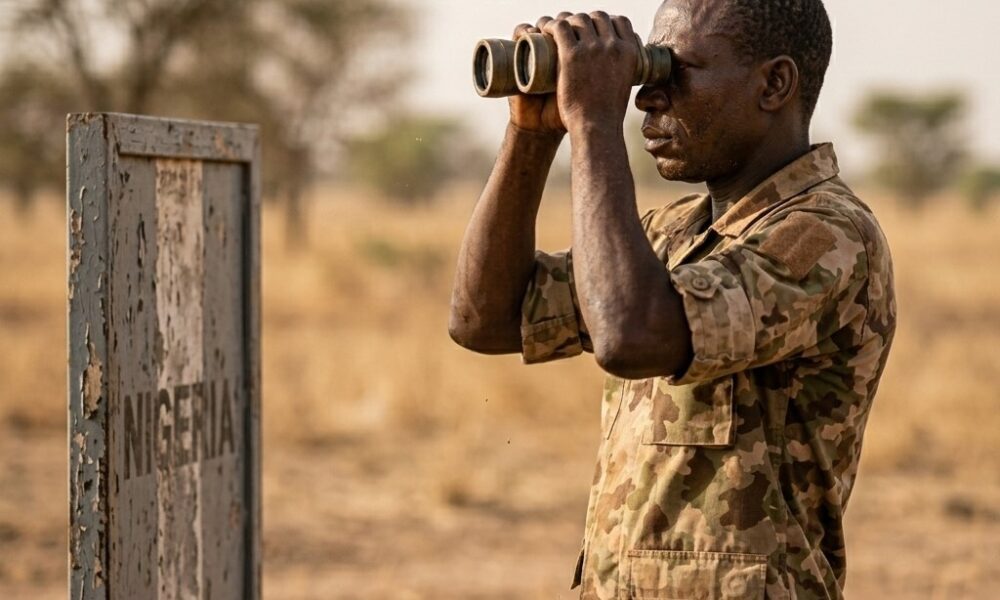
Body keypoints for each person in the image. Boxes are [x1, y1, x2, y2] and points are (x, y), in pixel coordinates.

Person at [449, 0, 895, 598]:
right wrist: (531, 133)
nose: (645, 99)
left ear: (774, 84)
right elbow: (486, 319)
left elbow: (631, 337)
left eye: (673, 72)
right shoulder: (671, 233)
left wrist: (593, 125)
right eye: (647, 73)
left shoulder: (826, 235)